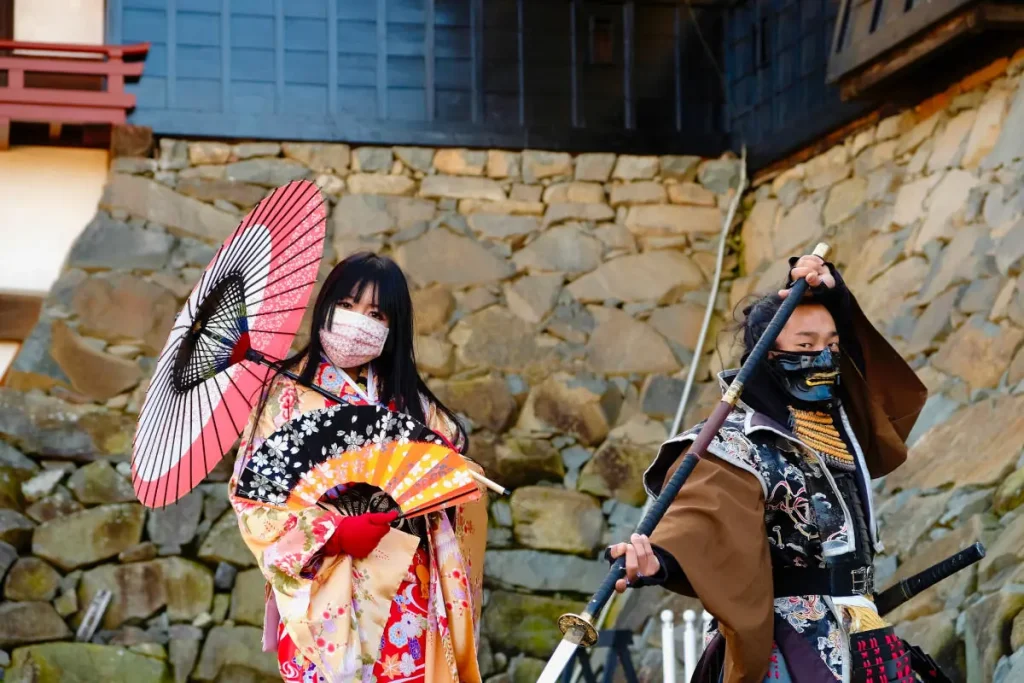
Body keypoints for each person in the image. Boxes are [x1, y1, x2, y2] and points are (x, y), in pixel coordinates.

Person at [608, 253, 930, 682]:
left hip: (861, 633)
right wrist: (658, 560)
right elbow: (698, 519)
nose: (822, 357)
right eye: (804, 345)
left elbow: (876, 386)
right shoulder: (732, 441)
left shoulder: (842, 428)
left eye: (830, 345)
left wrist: (839, 297)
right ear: (767, 355)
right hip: (789, 644)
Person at [229, 252, 489, 683]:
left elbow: (458, 481)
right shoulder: (284, 396)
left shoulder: (412, 404)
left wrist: (441, 476)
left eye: (375, 314)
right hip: (322, 584)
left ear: (393, 328)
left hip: (406, 590)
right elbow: (253, 498)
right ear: (326, 306)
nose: (356, 322)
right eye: (347, 306)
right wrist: (329, 533)